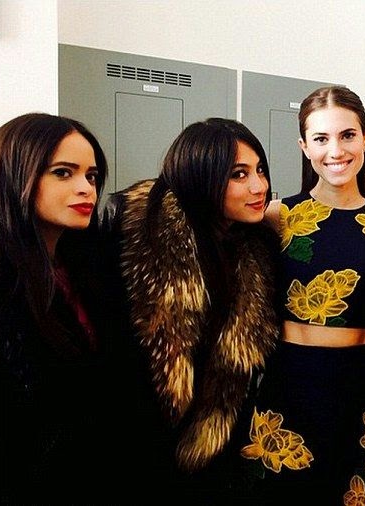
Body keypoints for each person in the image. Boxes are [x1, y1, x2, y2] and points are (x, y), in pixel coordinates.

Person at [239, 85, 365, 504]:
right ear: (304, 147)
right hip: (289, 383)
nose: (336, 150)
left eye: (347, 135)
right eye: (321, 138)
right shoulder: (277, 216)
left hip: (361, 386)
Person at [99, 118, 281, 504]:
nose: (259, 186)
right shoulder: (135, 226)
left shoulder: (258, 246)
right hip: (131, 439)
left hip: (213, 448)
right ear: (200, 175)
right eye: (239, 174)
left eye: (260, 170)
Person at [0, 113, 109, 503]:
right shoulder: (3, 280)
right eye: (63, 173)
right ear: (17, 175)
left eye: (92, 176)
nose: (86, 189)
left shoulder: (83, 268)